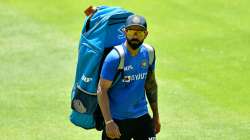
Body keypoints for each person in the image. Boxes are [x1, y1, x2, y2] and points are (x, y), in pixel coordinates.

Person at [97, 14, 160, 140]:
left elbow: (151, 85)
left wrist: (156, 115)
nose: (135, 36)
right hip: (117, 121)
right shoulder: (115, 57)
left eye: (139, 33)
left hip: (142, 118)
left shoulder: (149, 53)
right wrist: (109, 122)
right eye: (131, 32)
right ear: (125, 32)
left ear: (146, 34)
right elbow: (101, 90)